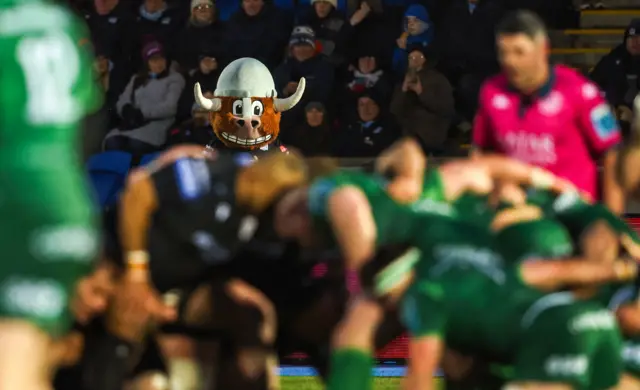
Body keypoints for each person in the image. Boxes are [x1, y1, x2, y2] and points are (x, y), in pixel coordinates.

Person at [0, 0, 103, 388]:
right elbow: (88, 125)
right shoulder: (61, 22)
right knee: (26, 355)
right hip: (65, 205)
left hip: (13, 202)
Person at [472, 10, 625, 214]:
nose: (510, 61)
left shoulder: (581, 92)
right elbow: (479, 154)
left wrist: (611, 218)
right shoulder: (491, 91)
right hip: (515, 210)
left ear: (543, 48)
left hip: (573, 210)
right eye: (503, 52)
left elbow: (613, 153)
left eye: (519, 52)